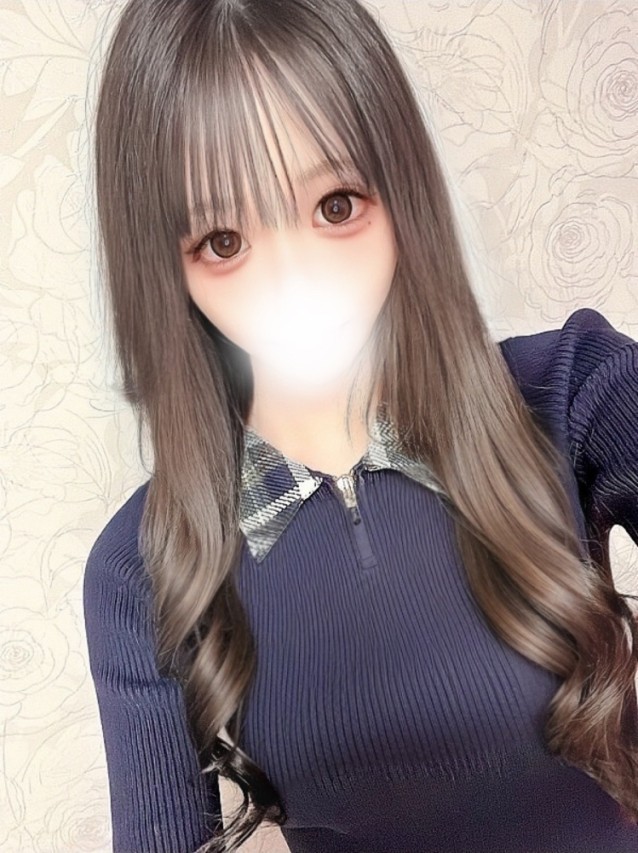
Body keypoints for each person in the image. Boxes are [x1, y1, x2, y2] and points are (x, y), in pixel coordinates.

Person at [82, 0, 638, 851]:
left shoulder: (573, 390)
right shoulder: (141, 569)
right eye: (224, 241)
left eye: (336, 205)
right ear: (166, 265)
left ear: (399, 184)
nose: (297, 281)